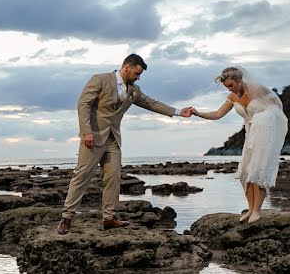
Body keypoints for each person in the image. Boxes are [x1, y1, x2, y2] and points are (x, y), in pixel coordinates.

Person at [57, 54, 195, 235]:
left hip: (113, 139)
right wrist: (86, 132)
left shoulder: (134, 90)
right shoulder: (100, 79)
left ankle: (109, 218)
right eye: (137, 73)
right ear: (127, 67)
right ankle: (66, 218)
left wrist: (178, 112)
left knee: (113, 177)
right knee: (82, 176)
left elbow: (150, 103)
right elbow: (83, 104)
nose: (138, 77)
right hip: (93, 137)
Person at [191, 66, 288, 223]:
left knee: (258, 168)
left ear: (240, 80)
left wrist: (268, 121)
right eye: (226, 87)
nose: (230, 89)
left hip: (265, 129)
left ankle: (257, 210)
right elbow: (217, 114)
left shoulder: (258, 90)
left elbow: (278, 108)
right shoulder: (233, 97)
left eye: (231, 85)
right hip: (250, 132)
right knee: (244, 170)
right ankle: (250, 209)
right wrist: (198, 113)